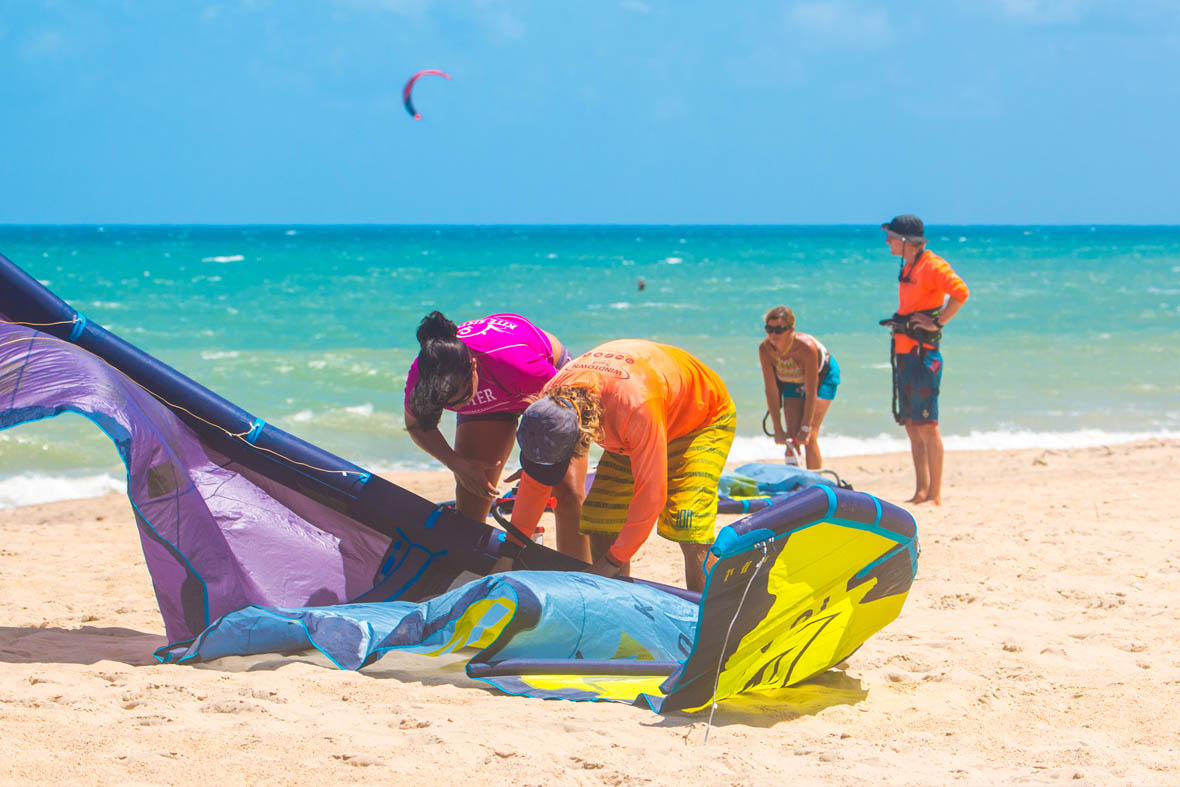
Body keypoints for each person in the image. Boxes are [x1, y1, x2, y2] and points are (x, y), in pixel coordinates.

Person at [507, 340, 736, 592]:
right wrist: (509, 552)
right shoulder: (552, 400)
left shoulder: (634, 410)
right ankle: (617, 603)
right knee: (600, 517)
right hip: (640, 411)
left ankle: (709, 618)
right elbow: (536, 484)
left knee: (687, 522)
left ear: (583, 437)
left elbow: (650, 496)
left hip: (701, 418)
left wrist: (611, 562)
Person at [403, 311, 588, 556]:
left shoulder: (517, 365)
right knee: (471, 496)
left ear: (473, 367)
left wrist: (543, 462)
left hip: (550, 390)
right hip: (493, 396)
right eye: (450, 405)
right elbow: (418, 426)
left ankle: (579, 578)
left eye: (462, 399)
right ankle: (470, 568)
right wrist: (457, 463)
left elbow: (578, 410)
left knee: (567, 493)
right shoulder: (423, 375)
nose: (458, 409)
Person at [880, 215, 970, 506]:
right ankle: (921, 490)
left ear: (906, 241)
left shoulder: (933, 265)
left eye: (891, 236)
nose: (887, 241)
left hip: (923, 354)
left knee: (928, 425)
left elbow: (961, 292)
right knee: (910, 424)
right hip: (905, 352)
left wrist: (938, 322)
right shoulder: (908, 265)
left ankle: (935, 494)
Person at [758, 306, 840, 469]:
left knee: (808, 436)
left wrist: (805, 426)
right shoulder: (765, 350)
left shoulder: (805, 348)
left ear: (790, 330)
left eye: (779, 330)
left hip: (822, 376)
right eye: (769, 329)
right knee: (791, 437)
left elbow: (811, 392)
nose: (773, 335)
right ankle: (796, 486)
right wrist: (777, 428)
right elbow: (772, 391)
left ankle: (816, 486)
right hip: (791, 379)